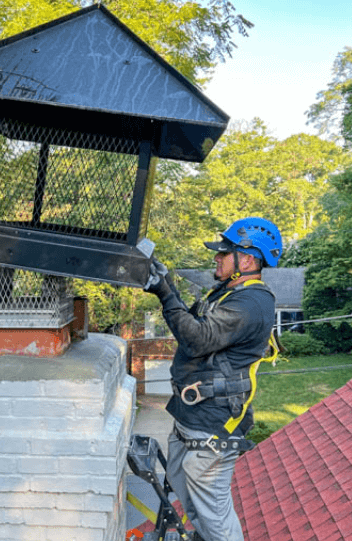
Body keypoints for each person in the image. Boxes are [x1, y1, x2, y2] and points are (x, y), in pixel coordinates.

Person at [144, 217, 283, 541]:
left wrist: (165, 293)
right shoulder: (225, 293)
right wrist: (167, 285)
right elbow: (190, 325)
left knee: (214, 514)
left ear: (247, 260)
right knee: (188, 493)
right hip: (191, 417)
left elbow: (198, 339)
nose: (216, 258)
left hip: (214, 425)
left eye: (224, 253)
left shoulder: (252, 302)